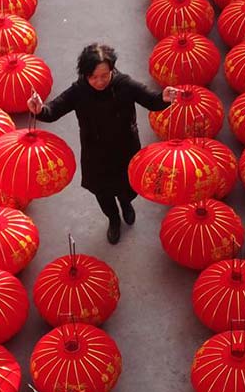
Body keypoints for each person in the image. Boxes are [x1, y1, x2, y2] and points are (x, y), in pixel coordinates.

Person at [27, 43, 179, 244]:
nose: (99, 82)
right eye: (93, 77)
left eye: (104, 75)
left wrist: (164, 98)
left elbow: (150, 100)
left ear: (112, 70)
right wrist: (39, 109)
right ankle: (113, 219)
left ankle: (126, 205)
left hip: (126, 149)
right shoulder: (79, 91)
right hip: (95, 154)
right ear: (85, 74)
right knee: (103, 192)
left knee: (127, 187)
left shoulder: (124, 85)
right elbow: (53, 111)